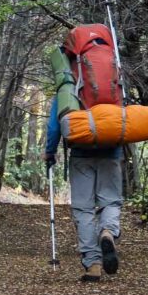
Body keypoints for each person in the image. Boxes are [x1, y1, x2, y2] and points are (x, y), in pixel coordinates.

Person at [45, 98, 123, 282]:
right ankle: (108, 233)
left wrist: (50, 151)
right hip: (111, 151)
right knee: (110, 201)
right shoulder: (113, 82)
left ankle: (93, 265)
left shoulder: (67, 87)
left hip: (81, 152)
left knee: (83, 208)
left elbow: (55, 126)